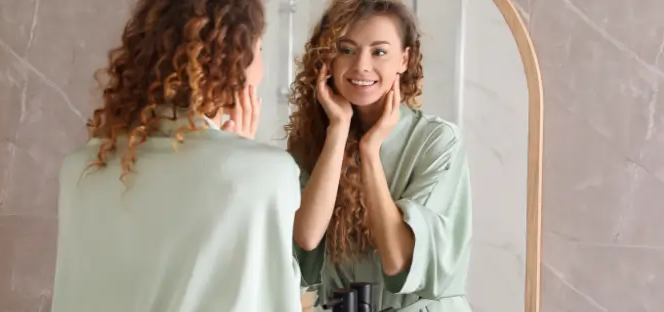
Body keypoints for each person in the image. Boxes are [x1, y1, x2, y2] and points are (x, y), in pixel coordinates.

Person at [51, 0, 304, 311]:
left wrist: (236, 154)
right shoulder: (265, 175)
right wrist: (239, 156)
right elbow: (276, 296)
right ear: (234, 61)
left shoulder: (81, 168)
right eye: (260, 50)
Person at [285, 0, 473, 311]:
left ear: (404, 59)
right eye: (346, 49)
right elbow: (307, 238)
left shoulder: (437, 142)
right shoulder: (312, 143)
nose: (361, 65)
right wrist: (338, 131)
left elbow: (398, 259)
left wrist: (369, 152)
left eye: (379, 51)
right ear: (327, 59)